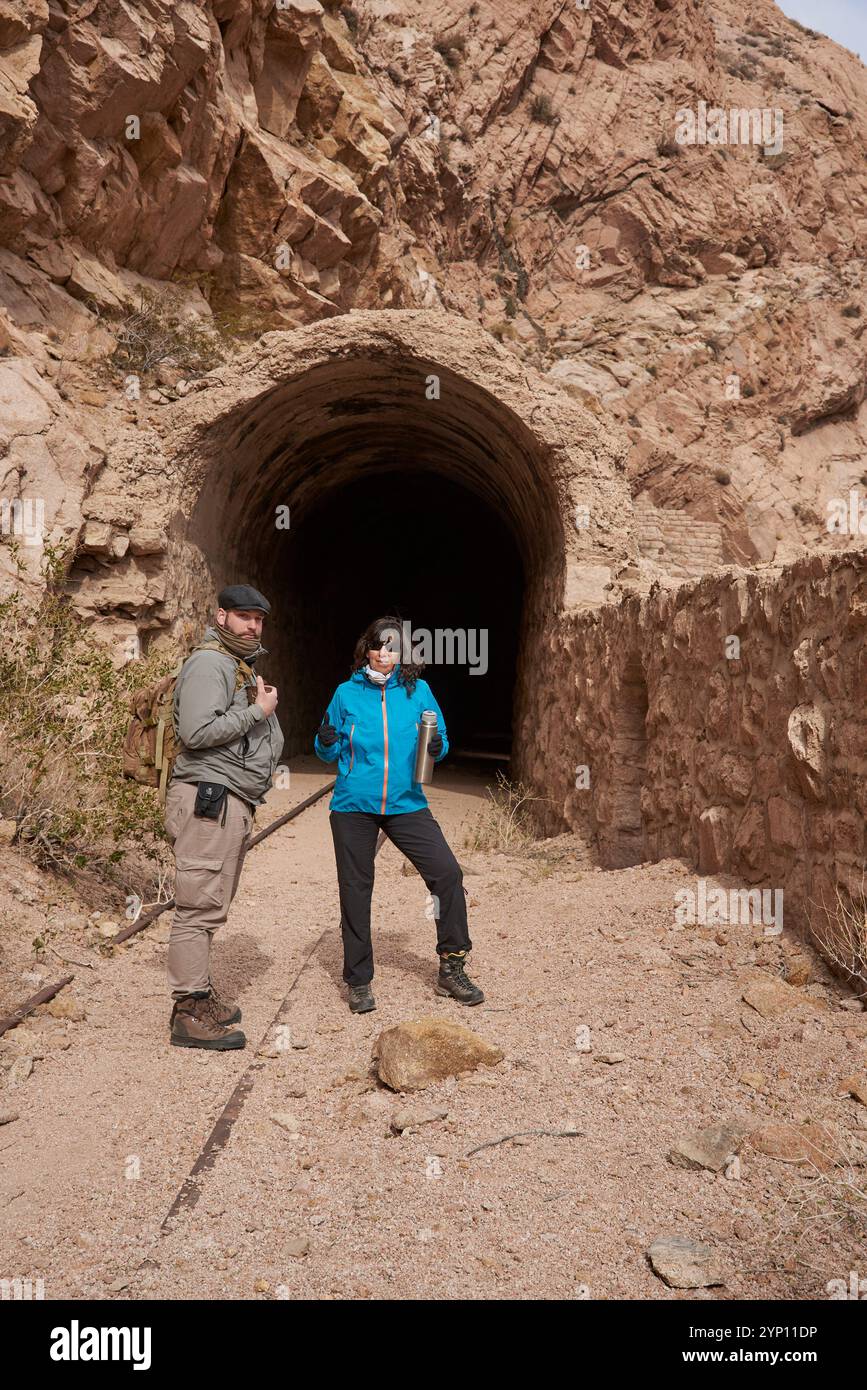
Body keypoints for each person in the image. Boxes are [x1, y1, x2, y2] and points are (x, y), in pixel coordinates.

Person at [314, 615, 483, 1014]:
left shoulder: (419, 691)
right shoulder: (345, 693)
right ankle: (358, 981)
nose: (383, 653)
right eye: (377, 645)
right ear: (367, 649)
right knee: (356, 889)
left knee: (446, 873)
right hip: (353, 805)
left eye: (392, 647)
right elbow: (327, 750)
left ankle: (452, 967)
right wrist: (325, 741)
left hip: (407, 802)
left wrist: (439, 746)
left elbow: (440, 742)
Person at [165, 584, 283, 1050]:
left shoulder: (236, 664)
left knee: (210, 901)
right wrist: (258, 712)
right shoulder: (210, 664)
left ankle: (198, 994)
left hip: (225, 798)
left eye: (259, 620)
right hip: (208, 799)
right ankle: (188, 1014)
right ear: (221, 617)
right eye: (244, 617)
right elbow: (196, 732)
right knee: (197, 906)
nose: (253, 626)